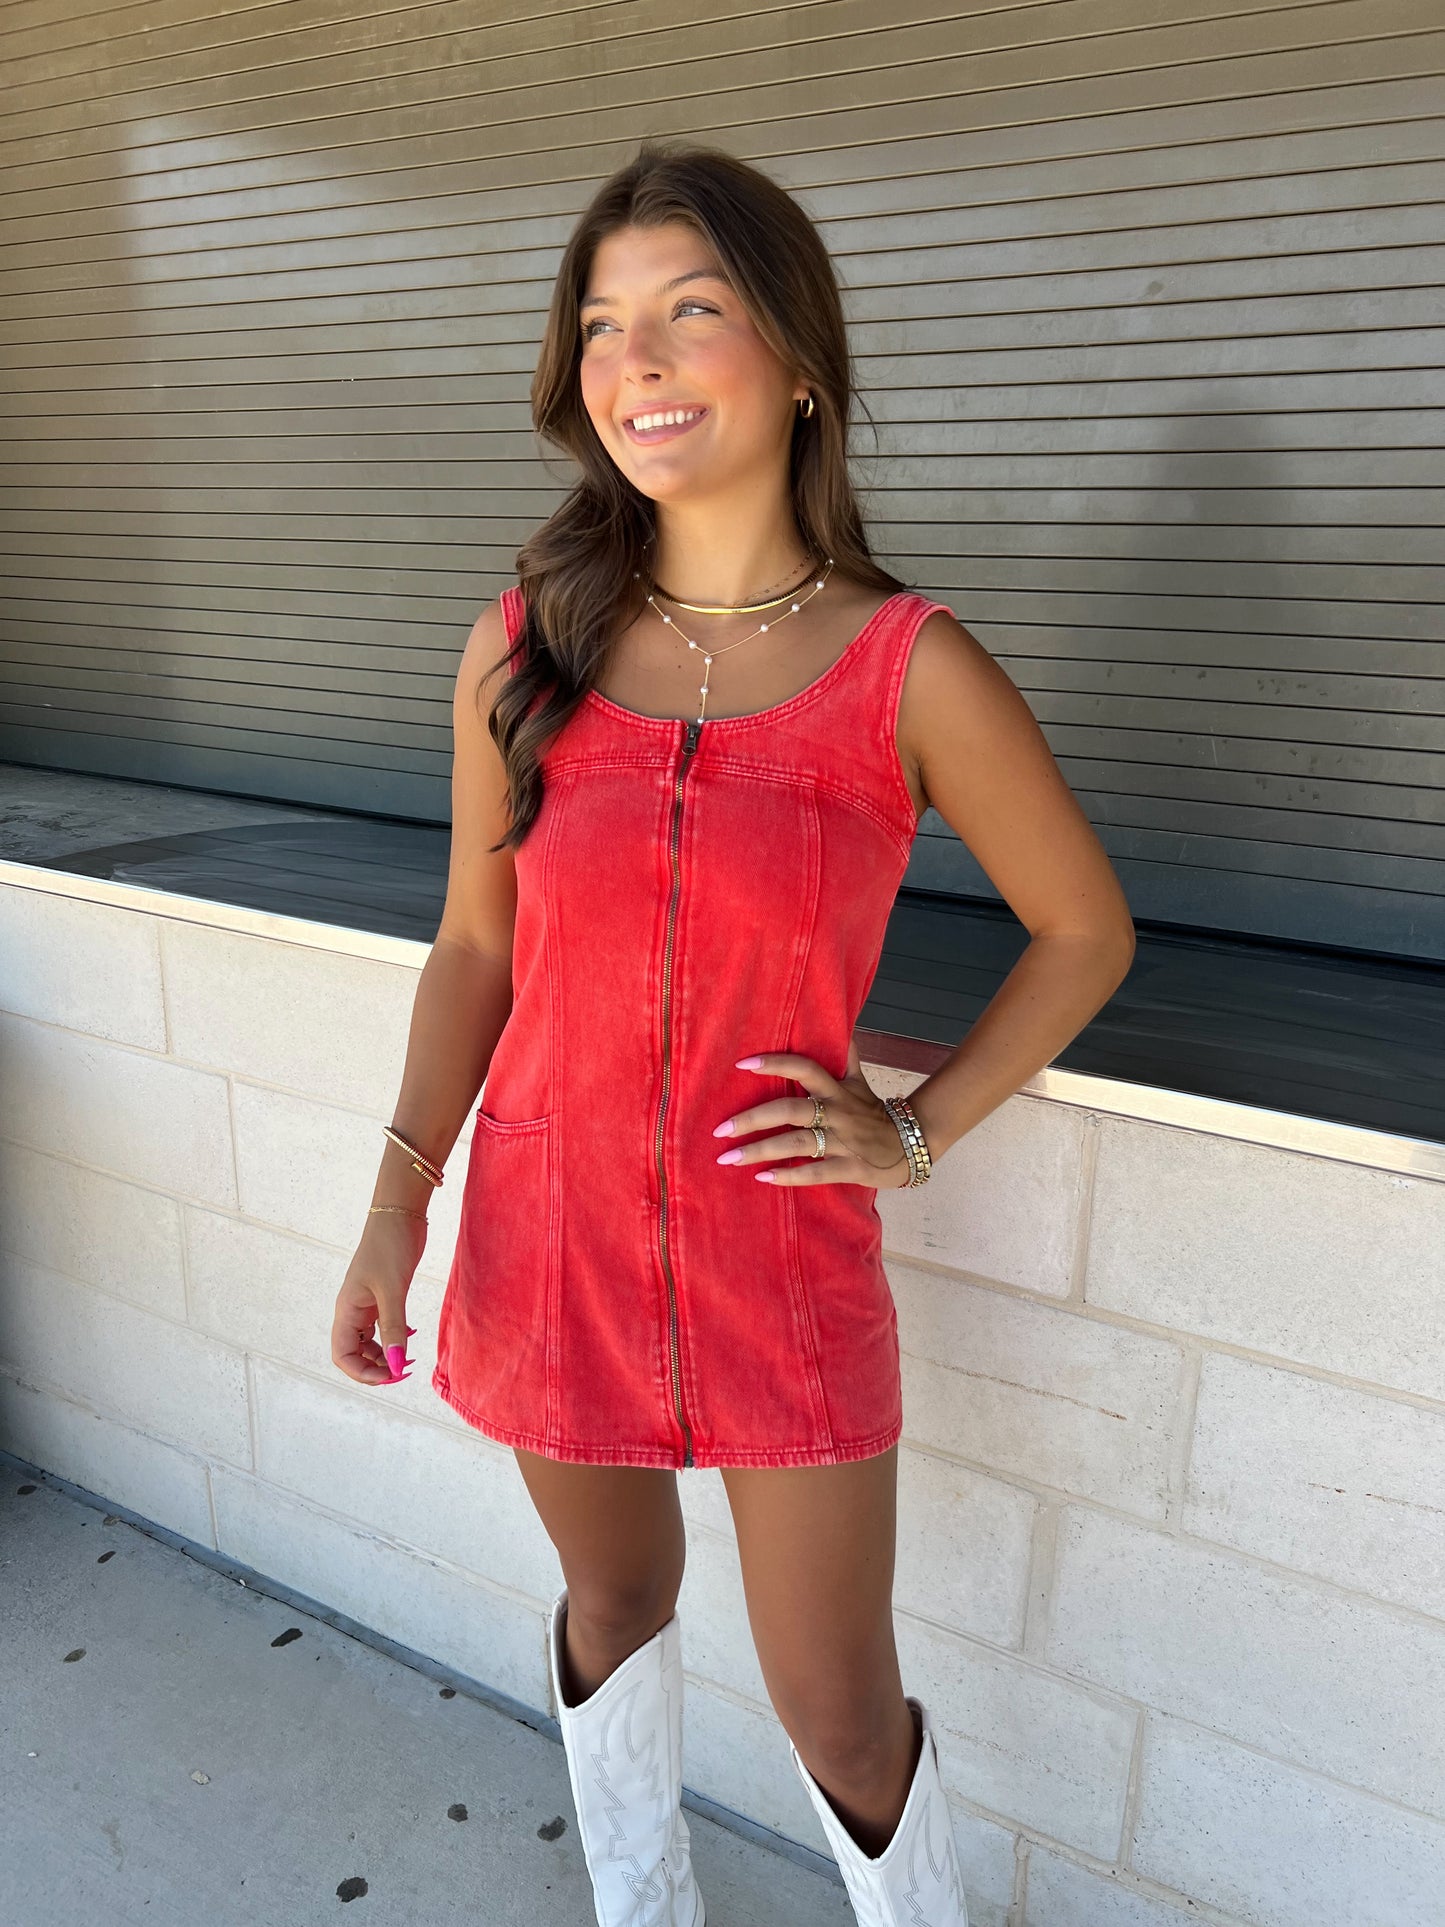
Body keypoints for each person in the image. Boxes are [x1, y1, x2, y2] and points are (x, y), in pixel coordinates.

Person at [331, 138, 1136, 1927]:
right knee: (611, 1604)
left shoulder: (905, 665)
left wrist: (913, 1128)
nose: (639, 361)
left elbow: (1083, 931)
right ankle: (644, 1904)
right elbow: (478, 943)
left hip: (779, 1257)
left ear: (792, 358)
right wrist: (401, 1195)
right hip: (549, 1236)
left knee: (837, 1706)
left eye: (690, 311)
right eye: (605, 325)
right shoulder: (520, 646)